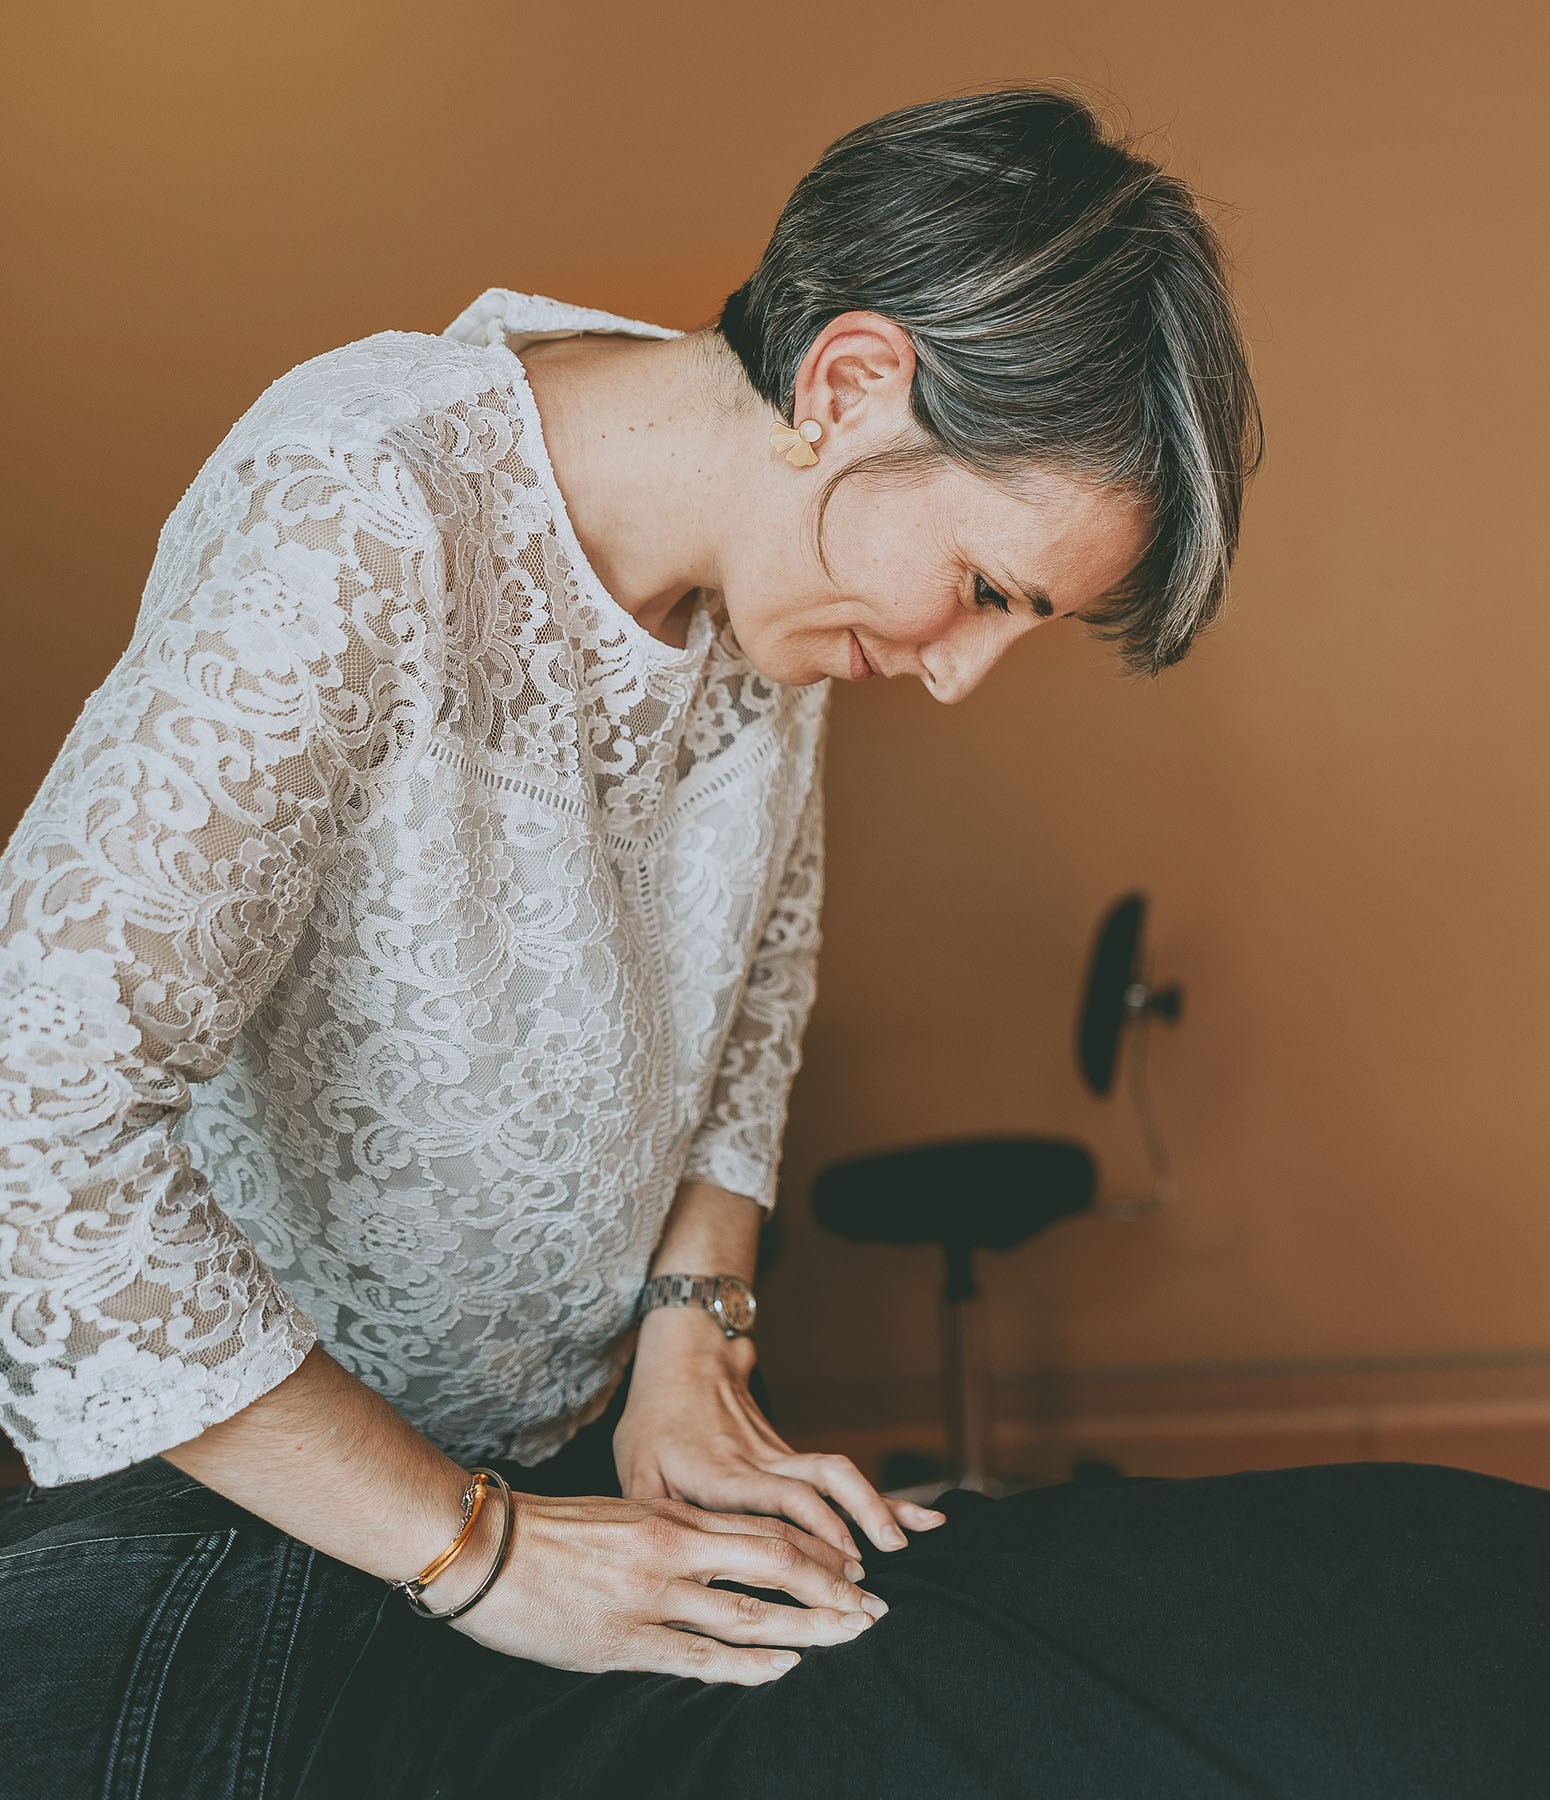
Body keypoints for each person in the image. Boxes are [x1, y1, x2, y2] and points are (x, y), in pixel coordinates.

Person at [3, 83, 1544, 1798]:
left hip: (568, 1458)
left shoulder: (768, 586)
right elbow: (34, 1116)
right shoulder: (359, 516)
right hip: (248, 1494)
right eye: (983, 587)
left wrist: (687, 1347)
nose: (959, 672)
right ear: (848, 383)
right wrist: (482, 1555)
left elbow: (746, 1014)